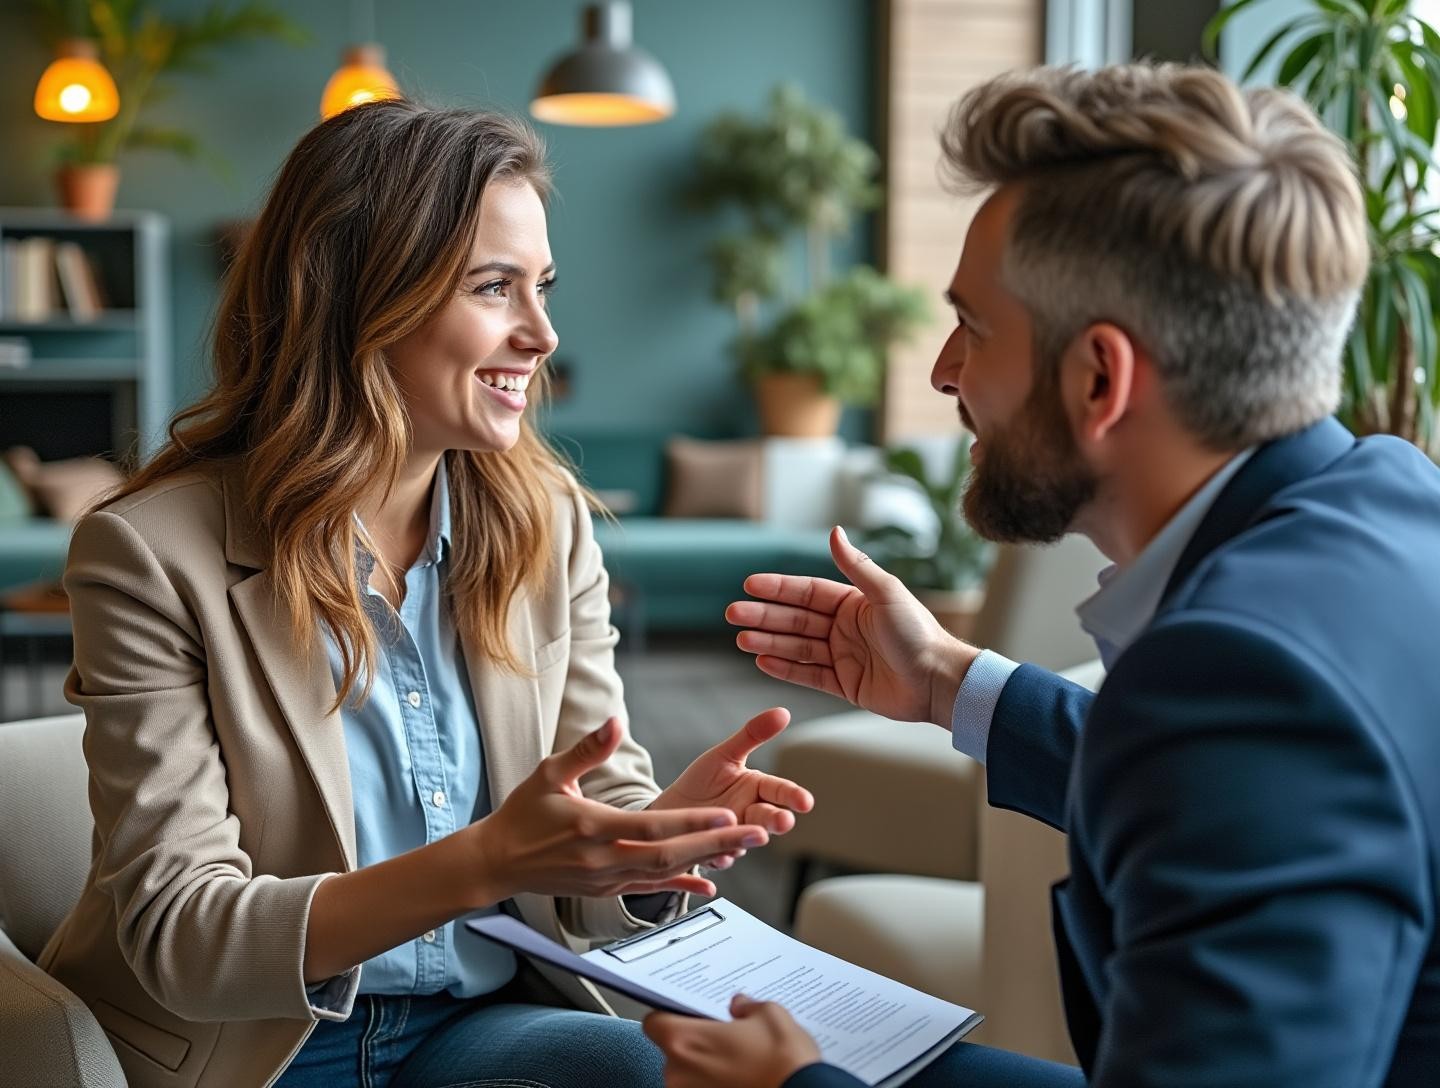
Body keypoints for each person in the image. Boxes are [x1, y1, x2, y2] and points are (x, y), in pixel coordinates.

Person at [644, 62, 1440, 1088]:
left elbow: (1239, 750)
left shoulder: (1239, 674)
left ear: (1100, 379)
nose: (941, 371)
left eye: (972, 328)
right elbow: (1215, 789)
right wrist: (944, 679)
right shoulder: (1389, 489)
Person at [38, 100, 814, 1088]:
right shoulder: (150, 553)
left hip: (476, 1020)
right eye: (496, 287)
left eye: (542, 287)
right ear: (360, 300)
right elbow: (184, 934)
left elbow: (583, 813)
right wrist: (488, 860)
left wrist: (650, 844)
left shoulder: (549, 523)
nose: (542, 334)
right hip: (263, 1049)